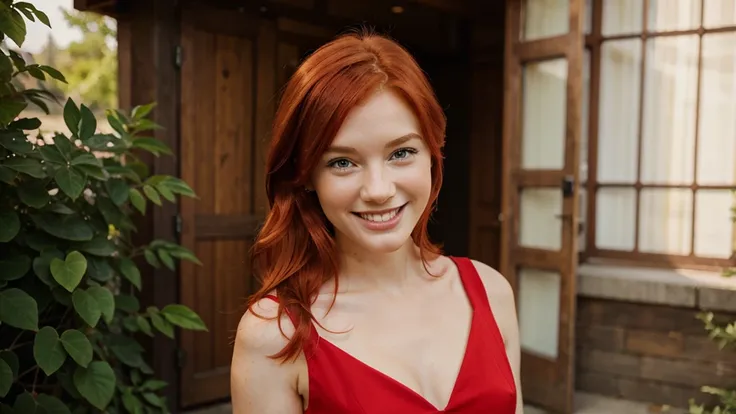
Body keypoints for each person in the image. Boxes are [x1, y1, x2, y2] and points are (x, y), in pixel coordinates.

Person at [230, 29, 523, 414]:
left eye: (401, 152)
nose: (379, 189)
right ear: (306, 179)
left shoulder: (490, 293)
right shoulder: (274, 332)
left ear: (433, 157)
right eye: (342, 162)